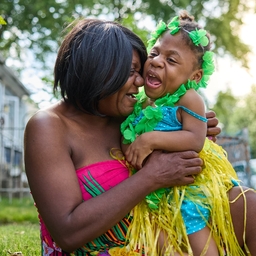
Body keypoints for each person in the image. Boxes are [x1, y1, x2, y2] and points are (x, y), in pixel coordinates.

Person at [23, 18, 256, 256]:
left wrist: (190, 124)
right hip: (111, 249)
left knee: (248, 203)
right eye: (131, 71)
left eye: (139, 70)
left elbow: (177, 129)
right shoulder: (49, 126)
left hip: (166, 236)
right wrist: (151, 177)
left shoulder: (126, 118)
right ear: (97, 69)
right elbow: (68, 233)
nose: (141, 80)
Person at [120, 11, 255, 256]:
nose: (158, 61)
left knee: (194, 228)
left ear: (194, 76)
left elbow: (195, 139)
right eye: (155, 53)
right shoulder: (140, 102)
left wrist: (150, 139)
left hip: (187, 190)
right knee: (163, 244)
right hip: (153, 194)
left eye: (171, 61)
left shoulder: (189, 99)